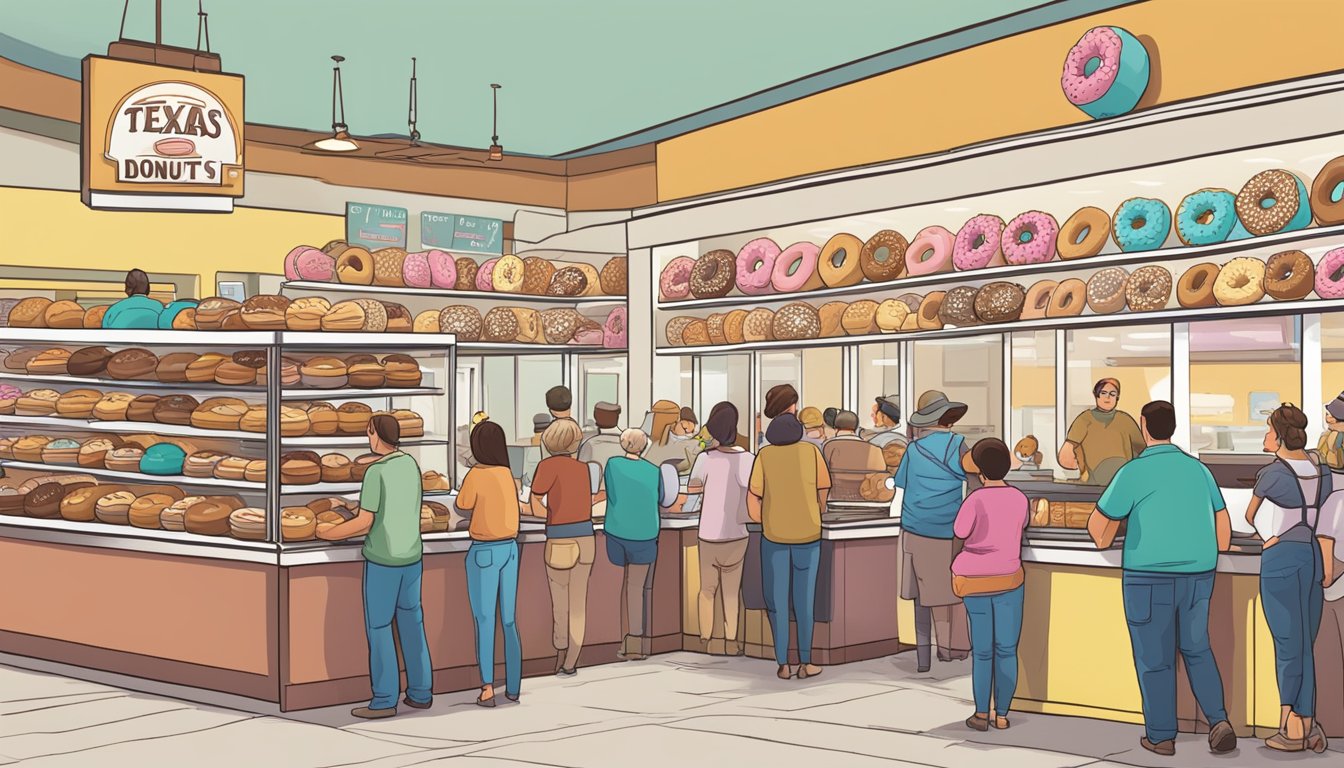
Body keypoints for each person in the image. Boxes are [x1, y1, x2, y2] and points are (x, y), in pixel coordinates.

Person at [1087, 400, 1237, 756]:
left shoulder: (1133, 472)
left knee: (1155, 658)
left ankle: (1161, 736)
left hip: (1148, 575)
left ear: (1143, 426)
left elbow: (1099, 531)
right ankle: (1218, 721)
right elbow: (1224, 533)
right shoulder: (1197, 470)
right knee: (1197, 648)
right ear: (1173, 427)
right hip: (1199, 574)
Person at [317, 414, 432, 719]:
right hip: (411, 558)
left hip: (383, 561)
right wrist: (351, 507)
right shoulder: (409, 464)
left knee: (380, 629)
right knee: (412, 626)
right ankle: (421, 692)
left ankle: (383, 700)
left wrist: (325, 532)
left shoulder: (375, 471)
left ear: (376, 435)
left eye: (369, 433)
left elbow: (365, 522)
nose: (368, 438)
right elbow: (391, 505)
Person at [1244, 404, 1330, 752]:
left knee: (1287, 645)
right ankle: (1307, 724)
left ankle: (1292, 730)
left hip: (1281, 560)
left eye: (1268, 430)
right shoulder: (1319, 469)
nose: (1265, 436)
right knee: (1305, 644)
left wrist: (1268, 537)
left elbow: (1251, 516)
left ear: (1279, 437)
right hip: (1311, 555)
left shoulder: (1272, 473)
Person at [953, 438, 1029, 733]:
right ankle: (1003, 714)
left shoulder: (974, 499)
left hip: (975, 582)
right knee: (1007, 648)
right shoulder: (1020, 498)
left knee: (983, 651)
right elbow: (1022, 525)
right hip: (1009, 579)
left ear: (981, 472)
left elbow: (960, 530)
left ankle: (981, 713)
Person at [749, 408, 830, 680]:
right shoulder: (811, 453)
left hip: (774, 537)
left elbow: (754, 496)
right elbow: (823, 488)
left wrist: (763, 519)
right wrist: (817, 509)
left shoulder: (764, 455)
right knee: (804, 601)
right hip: (809, 534)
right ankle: (806, 662)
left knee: (777, 602)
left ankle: (782, 663)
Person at [892, 390, 971, 671]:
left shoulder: (913, 449)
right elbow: (973, 483)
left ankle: (923, 658)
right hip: (949, 530)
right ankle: (952, 650)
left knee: (920, 598)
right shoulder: (959, 445)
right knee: (953, 593)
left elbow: (900, 484)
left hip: (914, 529)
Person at [455, 419, 522, 706]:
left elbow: (462, 505)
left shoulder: (476, 475)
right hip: (510, 550)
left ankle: (486, 687)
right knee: (508, 620)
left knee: (484, 621)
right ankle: (514, 685)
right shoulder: (507, 474)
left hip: (484, 551)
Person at [530, 418, 597, 677]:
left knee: (560, 604)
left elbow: (536, 501)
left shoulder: (546, 466)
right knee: (579, 603)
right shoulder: (582, 469)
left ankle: (560, 654)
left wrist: (545, 513)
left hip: (559, 539)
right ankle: (572, 659)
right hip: (586, 539)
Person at [686, 402, 752, 655]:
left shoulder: (705, 459)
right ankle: (731, 641)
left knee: (707, 589)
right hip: (737, 533)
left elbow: (692, 487)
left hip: (708, 533)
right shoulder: (747, 459)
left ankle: (707, 639)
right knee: (732, 592)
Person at [604, 428, 666, 660]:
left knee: (618, 588)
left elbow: (610, 492)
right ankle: (636, 645)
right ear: (643, 446)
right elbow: (660, 498)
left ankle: (620, 641)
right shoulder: (654, 470)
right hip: (645, 535)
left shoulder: (612, 465)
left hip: (617, 532)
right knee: (636, 589)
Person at [1059, 378, 1145, 485]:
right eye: (1103, 393)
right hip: (1093, 484)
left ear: (1117, 397)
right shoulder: (1085, 419)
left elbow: (1142, 451)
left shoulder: (1125, 420)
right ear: (1096, 395)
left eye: (1112, 394)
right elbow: (1066, 453)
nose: (1108, 397)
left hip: (1123, 482)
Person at [1315, 486, 1344, 741]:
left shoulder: (1336, 499)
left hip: (1336, 592)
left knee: (1329, 662)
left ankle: (1334, 728)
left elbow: (1325, 542)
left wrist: (1327, 577)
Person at [822, 410, 886, 501]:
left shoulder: (828, 446)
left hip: (835, 498)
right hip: (866, 498)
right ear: (856, 428)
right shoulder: (874, 449)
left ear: (836, 429)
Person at [578, 401, 624, 488]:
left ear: (596, 418)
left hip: (595, 494)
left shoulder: (590, 444)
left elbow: (581, 472)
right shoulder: (627, 443)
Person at [1317, 394, 1344, 471]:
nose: (1327, 417)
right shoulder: (1328, 432)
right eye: (1327, 414)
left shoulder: (1337, 433)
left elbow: (1332, 447)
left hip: (1336, 467)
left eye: (1331, 416)